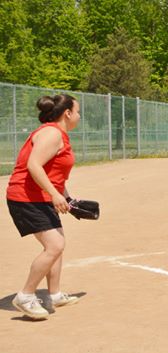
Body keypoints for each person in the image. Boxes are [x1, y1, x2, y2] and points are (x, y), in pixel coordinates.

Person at [6, 94, 84, 320]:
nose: (79, 116)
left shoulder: (58, 135)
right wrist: (53, 194)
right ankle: (26, 295)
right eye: (77, 111)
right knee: (55, 245)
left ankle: (55, 294)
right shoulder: (52, 133)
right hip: (26, 197)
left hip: (40, 197)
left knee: (57, 245)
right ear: (67, 113)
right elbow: (33, 165)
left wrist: (67, 198)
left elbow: (54, 173)